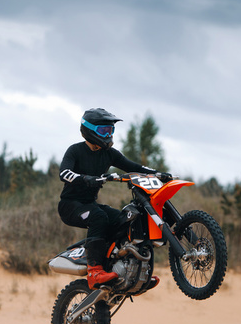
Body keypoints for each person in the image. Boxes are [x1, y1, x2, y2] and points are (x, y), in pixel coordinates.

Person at [58, 108, 169, 290]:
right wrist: (87, 178)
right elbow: (64, 173)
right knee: (98, 217)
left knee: (123, 219)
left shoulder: (109, 154)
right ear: (89, 130)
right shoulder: (75, 150)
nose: (108, 134)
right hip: (70, 206)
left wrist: (157, 174)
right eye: (104, 131)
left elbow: (133, 166)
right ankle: (94, 271)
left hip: (89, 205)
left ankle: (125, 269)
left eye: (111, 131)